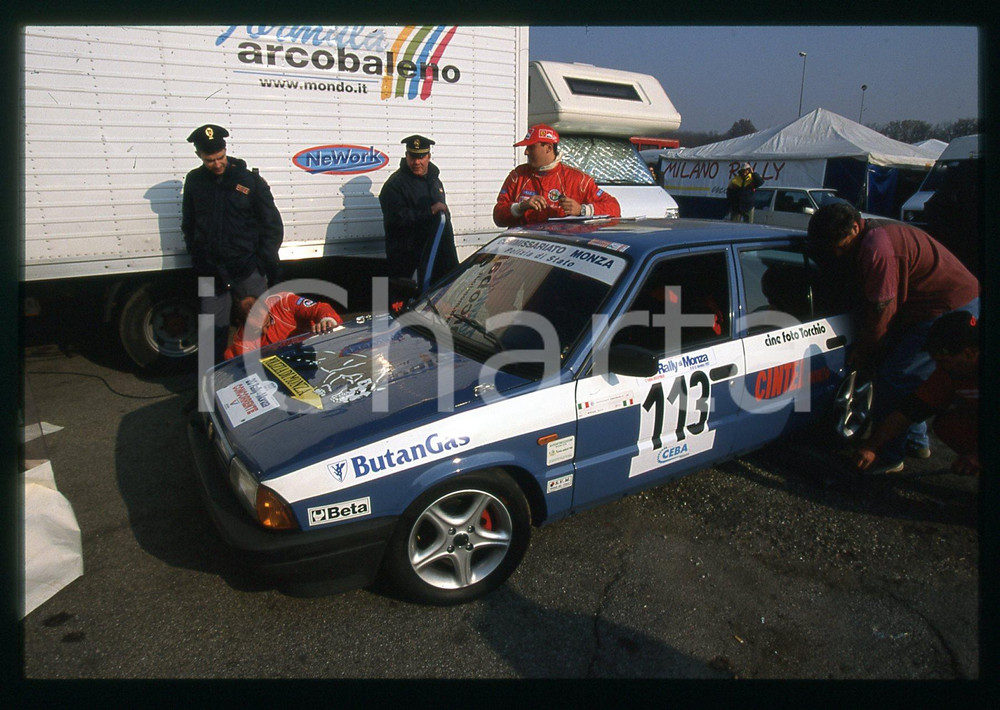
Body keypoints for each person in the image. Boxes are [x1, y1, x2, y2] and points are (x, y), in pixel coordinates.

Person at [807, 202, 979, 471]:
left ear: (855, 227)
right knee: (910, 375)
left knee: (894, 376)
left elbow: (882, 312)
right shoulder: (871, 236)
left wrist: (865, 351)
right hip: (938, 301)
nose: (837, 253)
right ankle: (916, 441)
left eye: (840, 245)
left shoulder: (877, 250)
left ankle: (888, 456)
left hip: (946, 306)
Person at [181, 124, 284, 362]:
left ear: (226, 150)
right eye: (209, 160)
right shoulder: (195, 181)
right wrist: (197, 256)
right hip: (210, 272)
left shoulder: (248, 180)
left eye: (220, 157)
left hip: (247, 270)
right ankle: (211, 384)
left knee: (261, 330)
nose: (216, 164)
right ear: (199, 156)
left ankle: (266, 379)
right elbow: (189, 223)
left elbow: (272, 225)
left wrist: (261, 262)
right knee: (211, 335)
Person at [853, 311, 980, 476]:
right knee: (948, 424)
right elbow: (910, 410)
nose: (938, 366)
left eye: (943, 360)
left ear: (969, 354)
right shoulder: (949, 372)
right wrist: (872, 446)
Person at [493, 124, 621, 227]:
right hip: (522, 249)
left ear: (548, 148)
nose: (526, 152)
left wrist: (582, 210)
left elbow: (614, 208)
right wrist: (520, 207)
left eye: (531, 147)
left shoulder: (578, 180)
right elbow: (498, 218)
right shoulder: (518, 176)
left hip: (558, 253)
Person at [378, 134, 458, 288]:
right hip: (409, 263)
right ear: (406, 156)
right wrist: (429, 211)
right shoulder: (394, 185)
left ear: (429, 156)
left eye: (421, 157)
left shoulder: (434, 180)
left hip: (438, 258)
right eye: (412, 157)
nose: (416, 162)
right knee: (408, 308)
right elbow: (396, 218)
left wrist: (450, 260)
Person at [224, 292, 342, 360]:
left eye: (267, 323)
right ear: (242, 325)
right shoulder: (242, 343)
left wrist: (327, 320)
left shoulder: (284, 302)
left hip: (319, 349)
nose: (265, 331)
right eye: (257, 331)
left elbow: (318, 308)